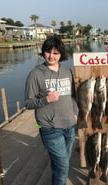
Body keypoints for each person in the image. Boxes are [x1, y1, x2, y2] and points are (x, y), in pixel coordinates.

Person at [24, 36, 79, 185]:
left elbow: (73, 97)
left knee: (59, 164)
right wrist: (46, 100)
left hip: (70, 126)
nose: (51, 56)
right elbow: (28, 103)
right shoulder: (36, 74)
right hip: (50, 128)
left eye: (55, 53)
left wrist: (75, 113)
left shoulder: (67, 72)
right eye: (48, 52)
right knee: (63, 167)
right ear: (43, 53)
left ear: (61, 54)